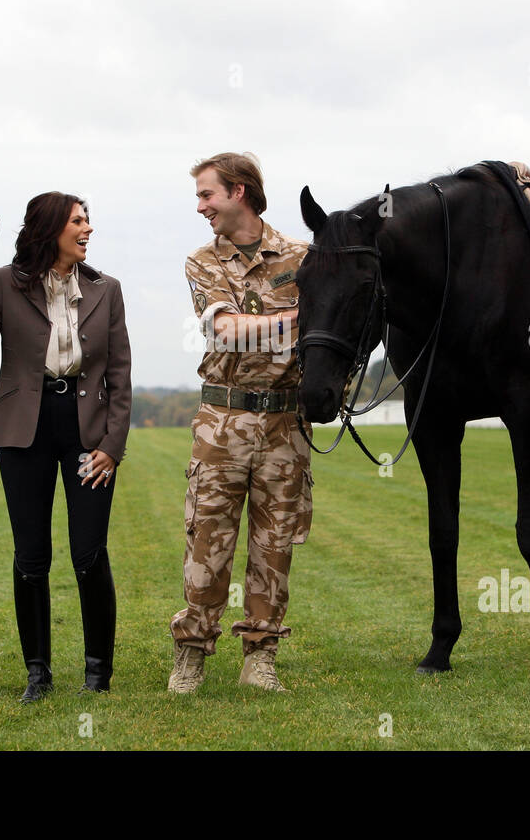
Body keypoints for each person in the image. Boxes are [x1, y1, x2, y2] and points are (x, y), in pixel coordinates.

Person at [0, 191, 131, 702]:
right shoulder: (6, 283)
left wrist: (112, 447)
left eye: (88, 220)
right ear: (51, 230)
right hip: (24, 430)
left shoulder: (107, 290)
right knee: (31, 556)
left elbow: (119, 374)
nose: (88, 229)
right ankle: (38, 675)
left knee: (90, 554)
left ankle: (97, 674)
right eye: (78, 221)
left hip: (87, 430)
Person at [168, 151, 313, 694]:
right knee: (207, 544)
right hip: (222, 422)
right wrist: (300, 320)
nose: (201, 206)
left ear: (239, 192)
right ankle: (192, 654)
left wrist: (274, 326)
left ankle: (261, 656)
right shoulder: (203, 261)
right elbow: (227, 333)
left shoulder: (303, 257)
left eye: (207, 194)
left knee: (275, 546)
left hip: (285, 423)